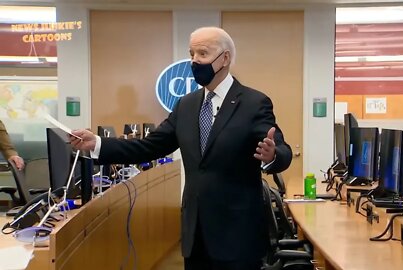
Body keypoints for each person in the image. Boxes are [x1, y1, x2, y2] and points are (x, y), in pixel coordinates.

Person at [70, 26, 292, 270]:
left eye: (203, 54)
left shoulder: (253, 102)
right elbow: (149, 146)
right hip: (194, 235)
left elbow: (282, 150)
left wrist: (272, 156)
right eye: (192, 53)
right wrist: (98, 144)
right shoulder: (186, 105)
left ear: (225, 58)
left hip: (237, 236)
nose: (195, 61)